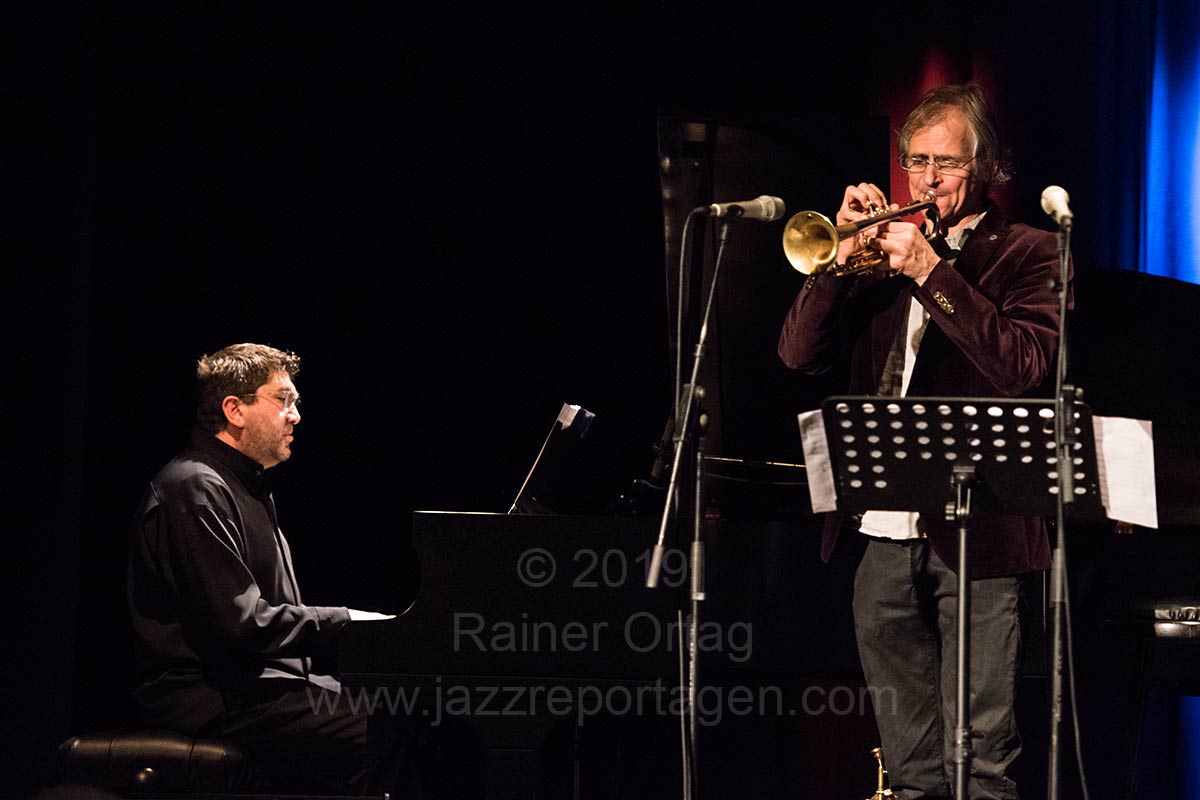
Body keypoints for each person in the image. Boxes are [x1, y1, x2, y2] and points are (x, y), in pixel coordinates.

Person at [778, 83, 1069, 799]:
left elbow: (1023, 366)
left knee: (984, 768)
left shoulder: (1031, 252)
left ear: (986, 166)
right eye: (916, 160)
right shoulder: (879, 260)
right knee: (909, 775)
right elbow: (796, 356)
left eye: (947, 163)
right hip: (881, 534)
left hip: (982, 539)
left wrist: (931, 272)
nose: (928, 179)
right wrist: (838, 258)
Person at [126, 342, 411, 794]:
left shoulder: (245, 485)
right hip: (209, 696)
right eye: (283, 400)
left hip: (255, 687)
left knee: (413, 712)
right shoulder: (194, 487)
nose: (295, 415)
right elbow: (240, 624)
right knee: (384, 730)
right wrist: (346, 621)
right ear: (234, 410)